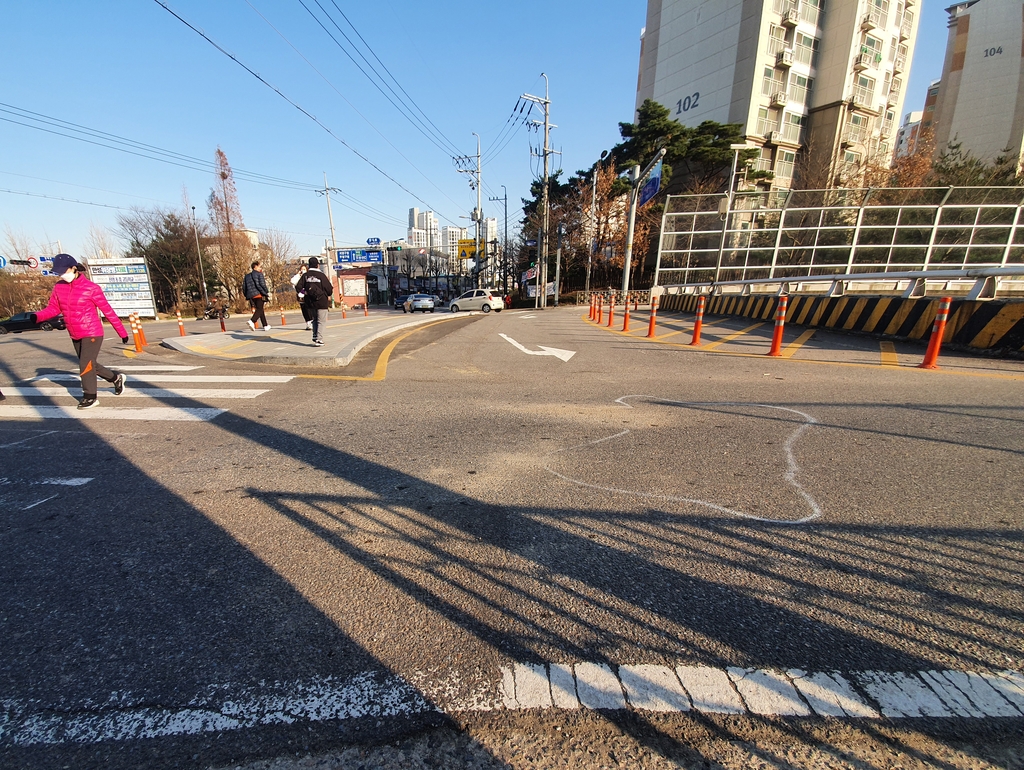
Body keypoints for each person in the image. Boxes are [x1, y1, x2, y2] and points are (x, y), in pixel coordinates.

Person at [34, 254, 129, 410]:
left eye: (64, 271)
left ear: (74, 268)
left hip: (92, 332)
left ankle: (90, 396)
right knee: (90, 364)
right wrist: (37, 316)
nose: (62, 275)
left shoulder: (91, 288)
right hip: (74, 332)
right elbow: (53, 308)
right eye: (59, 272)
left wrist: (122, 332)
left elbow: (108, 311)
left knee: (85, 364)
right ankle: (116, 378)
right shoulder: (59, 287)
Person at [294, 257, 332, 346]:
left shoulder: (305, 276)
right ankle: (319, 339)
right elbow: (329, 289)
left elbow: (298, 287)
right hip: (321, 301)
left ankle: (315, 336)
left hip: (310, 302)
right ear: (317, 265)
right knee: (321, 321)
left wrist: (305, 292)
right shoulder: (321, 276)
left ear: (309, 265)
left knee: (314, 319)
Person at [243, 260, 270, 331]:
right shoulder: (259, 274)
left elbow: (244, 287)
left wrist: (247, 295)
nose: (260, 268)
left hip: (251, 296)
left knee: (260, 309)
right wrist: (266, 292)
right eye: (259, 266)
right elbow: (262, 284)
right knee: (259, 309)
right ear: (255, 267)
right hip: (259, 294)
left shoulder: (247, 276)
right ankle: (252, 321)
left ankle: (265, 325)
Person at [290, 263, 313, 330]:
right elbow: (292, 281)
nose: (303, 270)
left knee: (309, 308)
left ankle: (311, 321)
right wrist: (298, 274)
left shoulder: (308, 276)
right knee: (304, 309)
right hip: (300, 295)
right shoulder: (298, 277)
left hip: (307, 294)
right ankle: (308, 322)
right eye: (302, 269)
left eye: (304, 269)